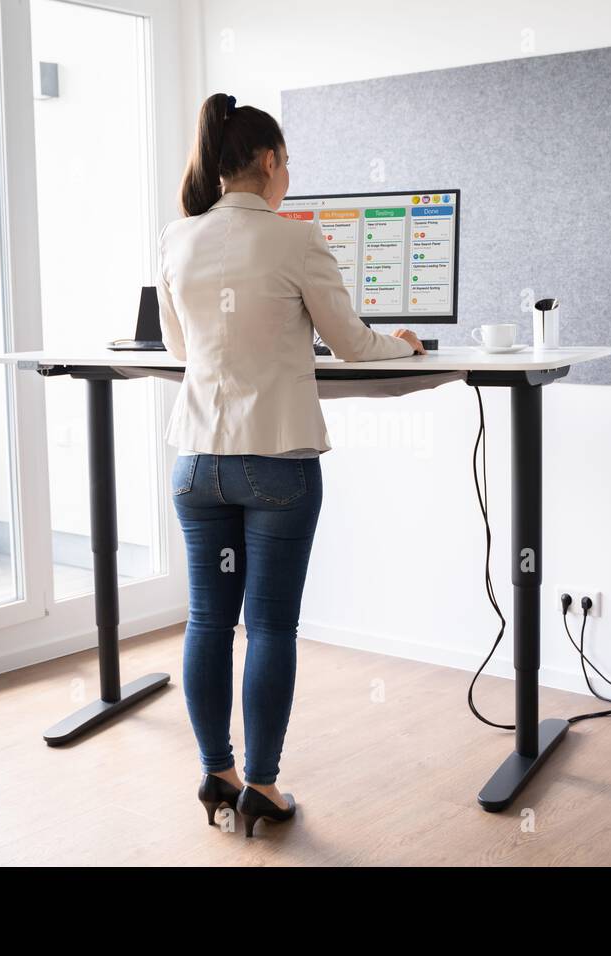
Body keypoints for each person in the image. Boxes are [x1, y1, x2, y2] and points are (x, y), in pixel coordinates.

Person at [157, 93, 424, 836]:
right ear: (271, 162)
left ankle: (217, 772)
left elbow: (183, 355)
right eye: (287, 164)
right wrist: (406, 342)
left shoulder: (177, 239)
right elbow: (352, 345)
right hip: (275, 464)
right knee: (270, 628)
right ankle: (264, 788)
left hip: (196, 464)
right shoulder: (295, 239)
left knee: (210, 621)